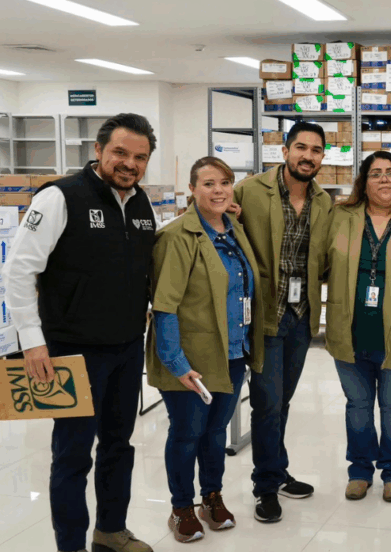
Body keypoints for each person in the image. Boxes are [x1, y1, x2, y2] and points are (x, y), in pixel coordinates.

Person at [1, 113, 158, 552]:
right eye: (120, 153)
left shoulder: (142, 203)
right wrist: (31, 340)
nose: (130, 163)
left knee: (117, 446)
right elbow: (17, 271)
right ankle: (70, 545)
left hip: (126, 348)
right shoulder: (59, 197)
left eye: (140, 157)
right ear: (98, 151)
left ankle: (111, 531)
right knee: (71, 456)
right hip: (72, 352)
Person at [147, 157, 264, 543]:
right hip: (191, 360)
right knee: (186, 434)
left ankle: (211, 496)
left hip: (232, 353)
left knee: (215, 434)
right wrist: (177, 363)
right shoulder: (178, 237)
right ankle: (181, 508)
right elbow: (164, 306)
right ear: (193, 189)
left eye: (225, 183)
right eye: (209, 183)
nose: (219, 190)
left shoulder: (233, 231)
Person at [232, 121, 333, 522]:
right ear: (285, 150)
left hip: (301, 315)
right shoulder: (249, 190)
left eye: (316, 150)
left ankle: (278, 467)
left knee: (282, 400)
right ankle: (264, 485)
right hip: (264, 316)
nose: (308, 156)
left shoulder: (324, 201)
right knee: (266, 403)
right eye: (301, 148)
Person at [324, 151, 391, 503]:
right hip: (351, 328)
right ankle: (359, 470)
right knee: (357, 406)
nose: (384, 179)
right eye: (376, 174)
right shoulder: (341, 217)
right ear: (363, 181)